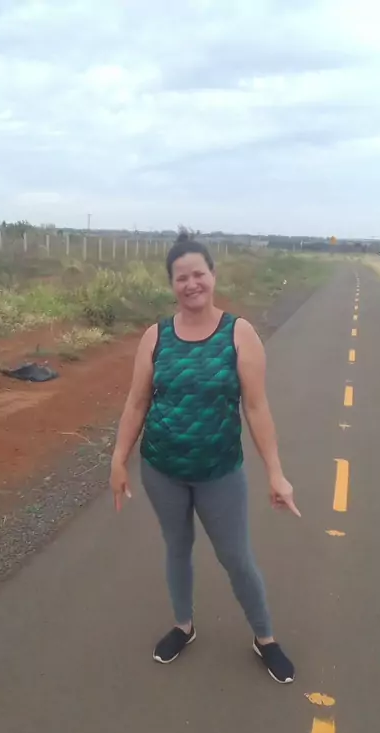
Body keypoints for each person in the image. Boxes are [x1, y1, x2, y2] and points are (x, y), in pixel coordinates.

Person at [110, 232, 300, 684]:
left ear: (213, 275)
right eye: (181, 277)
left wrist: (276, 473)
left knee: (236, 557)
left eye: (198, 274)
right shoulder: (156, 336)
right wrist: (118, 459)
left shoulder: (239, 334)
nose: (191, 283)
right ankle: (184, 625)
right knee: (177, 547)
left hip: (219, 473)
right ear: (172, 284)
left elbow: (256, 407)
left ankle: (265, 637)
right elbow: (137, 402)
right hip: (162, 469)